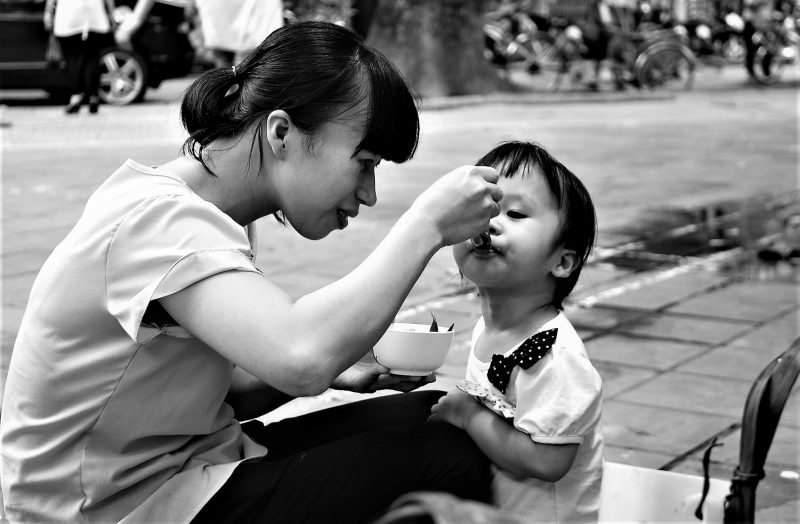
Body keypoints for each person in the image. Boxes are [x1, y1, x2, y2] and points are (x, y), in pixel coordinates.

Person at [0, 21, 503, 523]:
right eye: (364, 161)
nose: (369, 193)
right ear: (281, 132)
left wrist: (345, 365)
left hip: (185, 466)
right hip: (113, 508)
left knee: (438, 414)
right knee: (450, 457)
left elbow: (228, 394)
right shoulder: (161, 219)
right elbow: (300, 357)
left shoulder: (206, 211)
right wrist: (427, 225)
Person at [429, 141, 603, 522]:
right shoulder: (488, 328)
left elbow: (547, 459)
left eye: (516, 213)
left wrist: (469, 417)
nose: (490, 222)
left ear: (562, 261)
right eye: (482, 208)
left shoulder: (555, 357)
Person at [44, 0, 116, 114]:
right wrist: (112, 14)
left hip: (69, 14)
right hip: (94, 14)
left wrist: (48, 13)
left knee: (71, 58)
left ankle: (76, 96)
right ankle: (93, 96)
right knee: (92, 57)